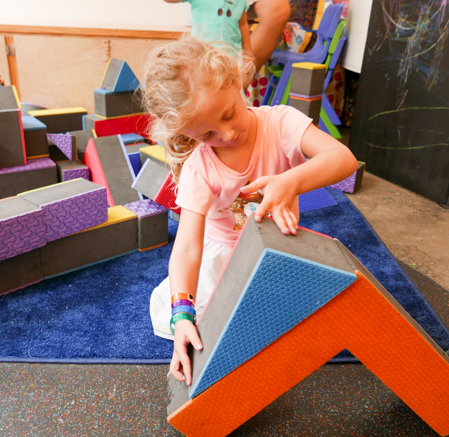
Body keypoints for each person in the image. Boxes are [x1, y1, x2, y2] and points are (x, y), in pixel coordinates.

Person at [142, 37, 358, 385]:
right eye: (208, 133)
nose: (227, 133)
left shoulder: (282, 122)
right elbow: (187, 247)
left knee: (315, 312)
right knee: (212, 324)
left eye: (229, 114)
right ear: (189, 134)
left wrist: (291, 181)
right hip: (225, 254)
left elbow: (343, 160)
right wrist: (182, 315)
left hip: (277, 247)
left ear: (236, 81)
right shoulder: (199, 167)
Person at [164, 0, 253, 58]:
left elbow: (243, 25)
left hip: (231, 56)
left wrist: (248, 55)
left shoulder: (240, 1)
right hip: (201, 55)